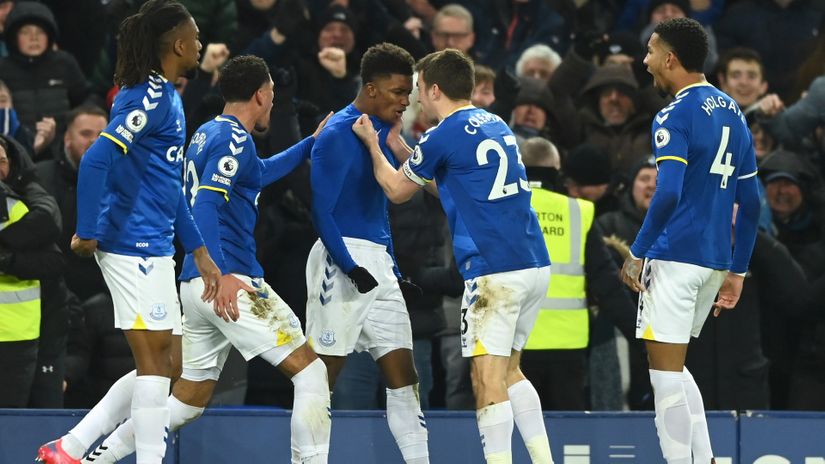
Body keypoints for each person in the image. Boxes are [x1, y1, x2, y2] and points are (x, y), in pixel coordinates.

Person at [81, 55, 334, 464]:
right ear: (260, 94)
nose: (272, 103)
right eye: (271, 96)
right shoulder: (234, 140)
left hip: (195, 286)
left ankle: (97, 458)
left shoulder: (208, 134)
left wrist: (307, 144)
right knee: (311, 372)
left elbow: (258, 174)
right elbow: (204, 204)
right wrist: (221, 272)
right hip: (229, 279)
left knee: (189, 399)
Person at [36, 2, 222, 463]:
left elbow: (170, 187)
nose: (200, 45)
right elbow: (99, 157)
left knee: (168, 365)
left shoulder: (169, 97)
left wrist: (198, 250)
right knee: (156, 367)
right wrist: (88, 230)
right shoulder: (149, 97)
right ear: (179, 44)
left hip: (156, 244)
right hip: (130, 243)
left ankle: (71, 447)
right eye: (196, 37)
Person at [352, 49, 553, 464]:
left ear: (436, 88)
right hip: (534, 264)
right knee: (512, 371)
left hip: (493, 271)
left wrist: (374, 146)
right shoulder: (493, 122)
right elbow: (455, 190)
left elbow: (395, 190)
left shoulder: (442, 134)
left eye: (420, 90)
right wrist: (404, 150)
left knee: (486, 377)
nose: (417, 100)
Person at [619, 18, 760, 464]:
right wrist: (736, 270)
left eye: (650, 51)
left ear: (670, 58)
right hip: (714, 261)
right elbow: (751, 202)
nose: (645, 62)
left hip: (675, 256)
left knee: (663, 379)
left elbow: (669, 191)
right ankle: (708, 459)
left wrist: (636, 251)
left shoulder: (674, 114)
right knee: (676, 370)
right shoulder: (734, 111)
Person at [306, 42, 429, 464]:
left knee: (404, 378)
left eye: (409, 92)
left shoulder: (379, 134)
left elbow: (381, 209)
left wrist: (392, 267)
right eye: (398, 92)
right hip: (340, 263)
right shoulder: (339, 132)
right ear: (372, 89)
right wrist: (349, 266)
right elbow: (320, 211)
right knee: (319, 380)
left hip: (378, 265)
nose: (406, 101)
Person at [519, 137, 637, 411]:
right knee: (566, 436)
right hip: (567, 345)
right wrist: (641, 337)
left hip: (515, 344)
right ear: (557, 169)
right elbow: (607, 283)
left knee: (520, 435)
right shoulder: (576, 212)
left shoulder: (501, 209)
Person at [36, 105, 109, 301]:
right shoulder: (41, 177)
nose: (94, 141)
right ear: (67, 138)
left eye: (102, 135)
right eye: (85, 134)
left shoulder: (123, 182)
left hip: (105, 294)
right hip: (53, 295)